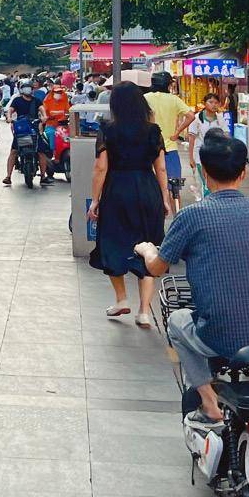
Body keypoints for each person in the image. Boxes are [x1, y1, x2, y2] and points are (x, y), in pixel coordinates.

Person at [136, 130, 249, 422]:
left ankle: (209, 401)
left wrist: (147, 249)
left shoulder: (192, 216)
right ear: (242, 173)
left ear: (204, 172)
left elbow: (157, 268)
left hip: (218, 337)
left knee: (176, 320)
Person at [90, 83, 171, 326]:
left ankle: (121, 299)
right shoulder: (153, 131)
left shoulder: (108, 131)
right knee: (149, 246)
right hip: (147, 189)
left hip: (117, 190)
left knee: (112, 242)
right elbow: (162, 168)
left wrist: (95, 200)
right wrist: (165, 198)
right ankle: (144, 310)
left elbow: (101, 167)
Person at [144, 73, 195, 205]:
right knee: (174, 189)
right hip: (170, 149)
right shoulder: (174, 100)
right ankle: (176, 217)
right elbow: (190, 116)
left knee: (149, 186)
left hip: (148, 148)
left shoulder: (144, 98)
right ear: (167, 84)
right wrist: (177, 132)